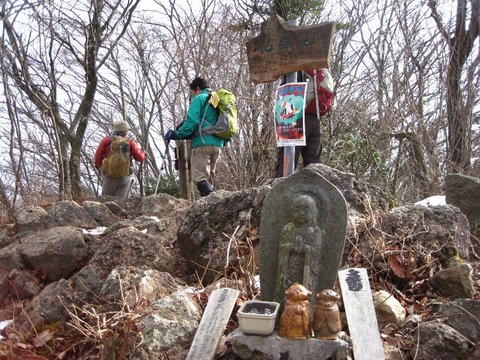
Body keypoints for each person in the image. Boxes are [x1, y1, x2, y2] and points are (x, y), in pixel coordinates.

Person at [165, 77, 224, 196]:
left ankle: (215, 204)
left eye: (193, 91)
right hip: (218, 144)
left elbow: (192, 121)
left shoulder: (199, 98)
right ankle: (212, 209)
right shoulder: (216, 99)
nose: (193, 94)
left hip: (202, 143)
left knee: (200, 179)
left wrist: (178, 134)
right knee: (209, 181)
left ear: (197, 88)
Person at [274, 71, 324, 177]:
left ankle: (282, 192)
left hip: (296, 114)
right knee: (315, 166)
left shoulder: (296, 62)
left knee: (285, 166)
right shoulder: (315, 65)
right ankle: (316, 192)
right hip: (315, 115)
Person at [95, 120, 145, 199]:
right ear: (125, 131)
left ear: (114, 129)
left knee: (106, 201)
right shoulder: (130, 142)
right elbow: (140, 158)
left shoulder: (106, 141)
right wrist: (143, 153)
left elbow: (97, 157)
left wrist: (100, 167)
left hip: (109, 176)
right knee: (121, 204)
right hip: (124, 176)